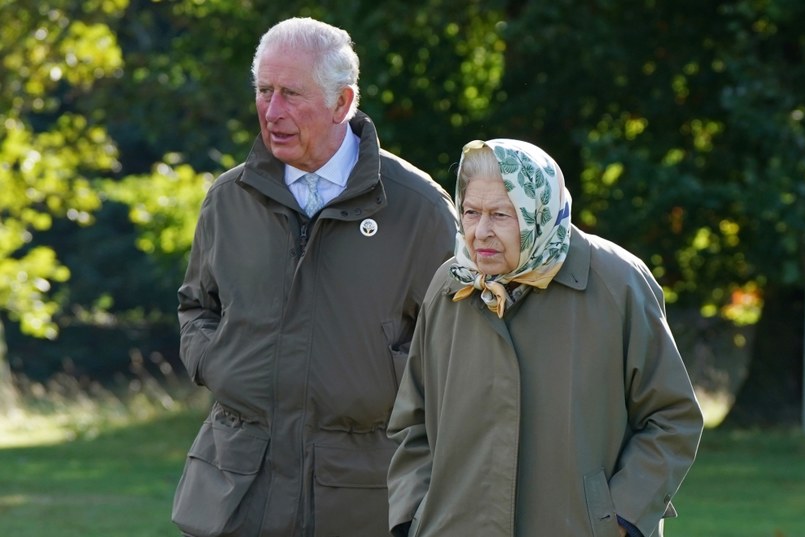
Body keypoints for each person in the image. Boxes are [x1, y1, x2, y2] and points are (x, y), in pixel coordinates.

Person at [171, 17, 457, 537]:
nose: (272, 111)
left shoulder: (418, 209)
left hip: (362, 495)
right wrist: (215, 363)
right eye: (264, 91)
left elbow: (457, 338)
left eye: (291, 94)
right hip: (236, 490)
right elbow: (197, 304)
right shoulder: (229, 199)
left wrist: (388, 376)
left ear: (342, 103)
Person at [387, 139, 704, 537]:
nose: (480, 232)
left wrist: (620, 519)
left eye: (501, 215)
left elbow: (672, 417)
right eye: (470, 212)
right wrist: (412, 518)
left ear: (537, 211)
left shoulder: (617, 283)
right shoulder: (449, 286)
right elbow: (412, 424)